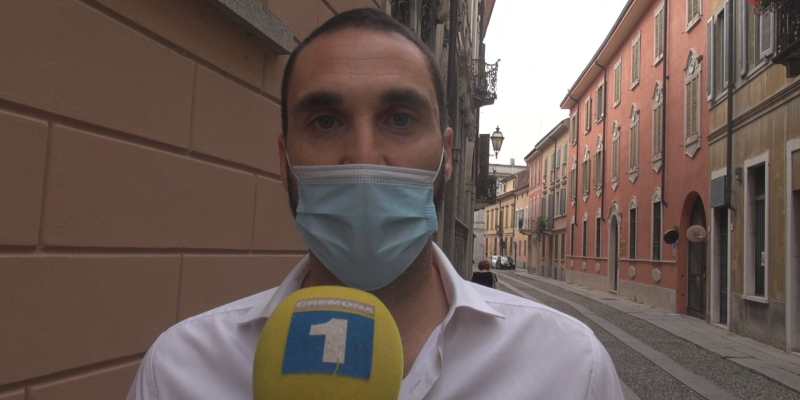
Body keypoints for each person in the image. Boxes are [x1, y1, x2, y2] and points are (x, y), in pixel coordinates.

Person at [127, 8, 624, 400]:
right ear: (284, 161)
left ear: (447, 156)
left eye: (400, 119)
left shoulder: (569, 370)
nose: (363, 157)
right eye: (326, 121)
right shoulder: (178, 375)